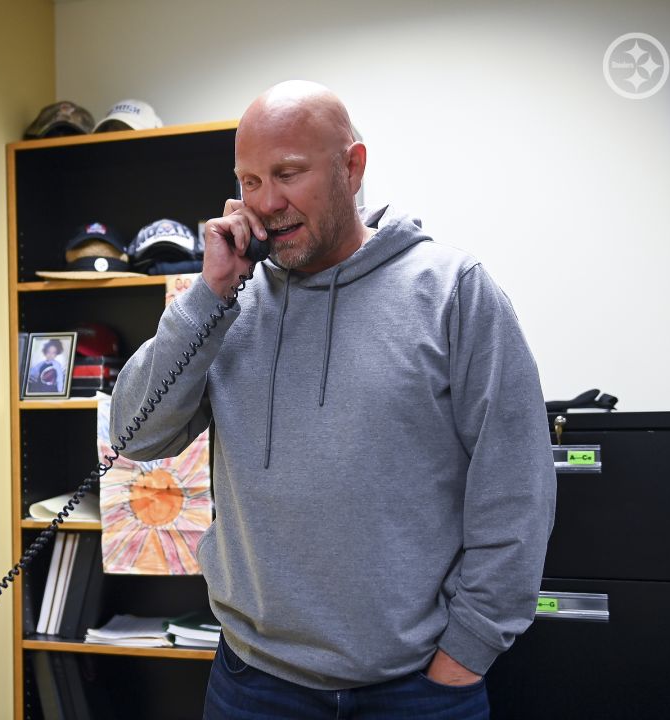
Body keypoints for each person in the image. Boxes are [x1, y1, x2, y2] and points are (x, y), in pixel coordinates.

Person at [110, 81, 556, 719]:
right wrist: (208, 295)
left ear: (353, 167)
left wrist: (467, 653)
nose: (266, 204)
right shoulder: (227, 300)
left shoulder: (453, 291)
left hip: (415, 688)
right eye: (250, 181)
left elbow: (516, 487)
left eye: (288, 174)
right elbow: (136, 435)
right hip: (253, 683)